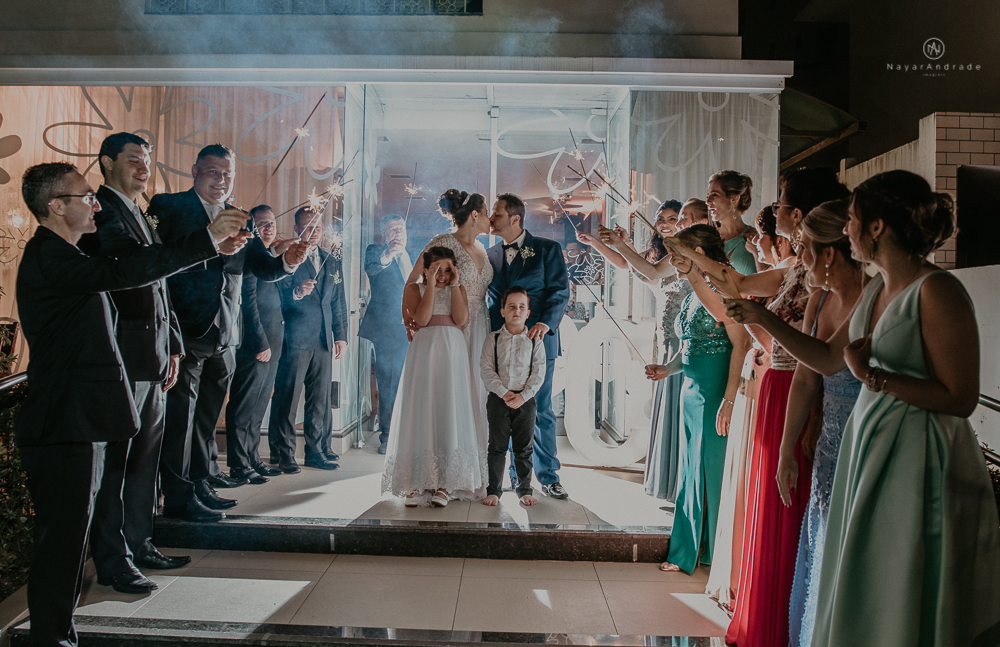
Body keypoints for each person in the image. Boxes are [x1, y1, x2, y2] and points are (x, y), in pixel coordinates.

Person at [745, 170, 1000, 646]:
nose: (846, 231)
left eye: (854, 219)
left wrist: (874, 378)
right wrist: (762, 319)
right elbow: (823, 359)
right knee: (865, 575)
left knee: (902, 575)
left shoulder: (937, 291)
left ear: (877, 227)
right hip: (871, 449)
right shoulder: (876, 291)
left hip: (919, 456)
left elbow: (961, 398)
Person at [14, 162, 244, 647]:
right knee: (62, 545)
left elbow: (134, 271)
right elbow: (127, 270)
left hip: (82, 419)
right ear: (56, 206)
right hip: (64, 422)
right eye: (85, 197)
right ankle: (51, 638)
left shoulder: (69, 252)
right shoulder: (49, 256)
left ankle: (59, 634)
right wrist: (203, 238)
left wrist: (211, 247)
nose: (95, 203)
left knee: (72, 543)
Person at [723, 198, 866, 647]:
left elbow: (825, 359)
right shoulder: (820, 296)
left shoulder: (870, 296)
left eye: (804, 249)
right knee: (817, 541)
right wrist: (786, 448)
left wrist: (762, 316)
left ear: (828, 253)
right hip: (821, 435)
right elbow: (805, 374)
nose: (798, 260)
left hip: (861, 427)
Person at [152, 143, 309, 522]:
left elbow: (261, 267)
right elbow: (158, 262)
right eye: (213, 171)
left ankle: (202, 482)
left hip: (225, 334)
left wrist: (287, 262)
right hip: (186, 330)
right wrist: (211, 241)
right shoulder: (169, 208)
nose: (220, 180)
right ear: (194, 170)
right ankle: (177, 495)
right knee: (180, 421)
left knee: (206, 418)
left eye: (227, 174)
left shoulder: (240, 217)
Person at [76, 133, 189, 595]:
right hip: (122, 358)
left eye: (147, 160)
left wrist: (174, 344)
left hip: (154, 355)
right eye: (134, 160)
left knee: (144, 460)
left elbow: (160, 288)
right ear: (107, 163)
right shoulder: (103, 211)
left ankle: (141, 543)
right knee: (117, 466)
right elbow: (133, 267)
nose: (144, 168)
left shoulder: (139, 212)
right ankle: (112, 559)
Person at [642, 224, 750, 574]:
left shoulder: (726, 283)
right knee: (690, 472)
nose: (675, 261)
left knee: (714, 471)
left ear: (698, 254)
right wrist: (667, 369)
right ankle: (691, 549)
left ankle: (720, 556)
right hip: (690, 390)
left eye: (681, 254)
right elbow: (690, 343)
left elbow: (741, 343)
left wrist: (730, 399)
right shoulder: (692, 292)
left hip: (717, 388)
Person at [586, 200, 688, 502]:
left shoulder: (685, 253)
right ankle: (666, 477)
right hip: (662, 334)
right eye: (661, 220)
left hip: (682, 336)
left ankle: (678, 476)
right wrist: (600, 244)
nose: (666, 224)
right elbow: (626, 265)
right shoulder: (658, 253)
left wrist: (622, 243)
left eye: (673, 219)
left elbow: (652, 274)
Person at [383, 246, 487, 507]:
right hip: (425, 350)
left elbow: (461, 319)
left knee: (448, 407)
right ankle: (416, 481)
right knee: (422, 408)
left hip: (452, 350)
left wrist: (453, 286)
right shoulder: (412, 290)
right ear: (427, 269)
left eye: (447, 269)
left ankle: (445, 484)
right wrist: (429, 284)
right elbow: (422, 317)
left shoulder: (457, 288)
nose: (442, 274)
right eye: (437, 269)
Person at [487, 193, 571, 498]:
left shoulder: (547, 249)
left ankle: (549, 476)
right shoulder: (490, 254)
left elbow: (560, 292)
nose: (490, 219)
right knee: (506, 407)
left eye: (496, 214)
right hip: (503, 346)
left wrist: (545, 323)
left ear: (515, 219)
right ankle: (515, 478)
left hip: (539, 342)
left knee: (540, 408)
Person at [405, 190, 493, 457]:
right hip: (451, 327)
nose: (490, 221)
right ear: (475, 215)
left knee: (478, 391)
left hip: (480, 323)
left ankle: (472, 464)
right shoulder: (443, 242)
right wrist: (407, 318)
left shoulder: (482, 248)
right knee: (449, 392)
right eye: (487, 214)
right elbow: (412, 281)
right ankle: (443, 460)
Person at [268, 206, 349, 472]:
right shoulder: (285, 256)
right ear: (296, 230)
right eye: (306, 228)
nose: (313, 233)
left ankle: (316, 451)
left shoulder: (332, 260)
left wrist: (341, 336)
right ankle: (284, 453)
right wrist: (298, 292)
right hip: (294, 336)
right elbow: (275, 295)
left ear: (323, 230)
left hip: (324, 338)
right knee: (288, 397)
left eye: (317, 228)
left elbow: (338, 301)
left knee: (319, 399)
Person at [224, 205, 291, 484]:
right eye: (262, 223)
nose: (269, 227)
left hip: (273, 340)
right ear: (252, 228)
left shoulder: (269, 256)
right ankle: (239, 464)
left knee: (260, 403)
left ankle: (252, 458)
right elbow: (247, 304)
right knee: (244, 405)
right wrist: (260, 342)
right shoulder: (249, 256)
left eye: (272, 222)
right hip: (256, 341)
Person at [480, 286, 546, 507]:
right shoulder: (493, 338)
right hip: (499, 399)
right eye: (511, 306)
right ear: (502, 311)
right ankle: (494, 491)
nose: (516, 311)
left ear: (528, 313)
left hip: (526, 401)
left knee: (523, 448)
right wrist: (504, 392)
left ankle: (525, 489)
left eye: (521, 307)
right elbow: (486, 369)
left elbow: (539, 373)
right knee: (496, 447)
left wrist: (523, 396)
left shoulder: (535, 340)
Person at [359, 213, 412, 455]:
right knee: (389, 384)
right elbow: (374, 269)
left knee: (412, 384)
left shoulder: (418, 255)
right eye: (392, 229)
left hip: (415, 331)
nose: (398, 233)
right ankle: (388, 436)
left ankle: (411, 434)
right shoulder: (374, 252)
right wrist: (390, 253)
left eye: (401, 228)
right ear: (384, 234)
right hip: (388, 331)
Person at [705, 171, 758, 276]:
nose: (708, 201)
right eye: (708, 195)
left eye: (714, 195)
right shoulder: (708, 238)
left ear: (734, 198)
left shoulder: (755, 238)